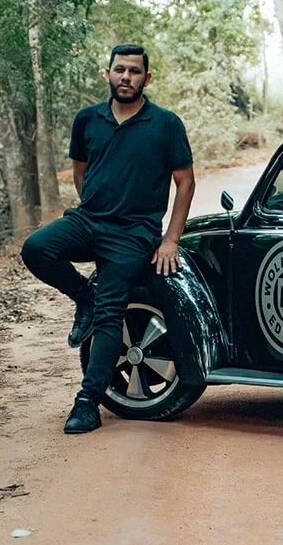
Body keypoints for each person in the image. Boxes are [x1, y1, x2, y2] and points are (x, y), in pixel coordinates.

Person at [20, 44, 195, 434]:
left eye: (134, 71)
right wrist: (95, 207)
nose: (126, 77)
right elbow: (81, 172)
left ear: (146, 78)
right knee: (36, 248)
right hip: (89, 219)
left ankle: (87, 401)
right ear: (108, 74)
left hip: (134, 233)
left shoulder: (166, 124)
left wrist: (170, 240)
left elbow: (185, 183)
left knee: (110, 310)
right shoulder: (87, 120)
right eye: (120, 70)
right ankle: (84, 297)